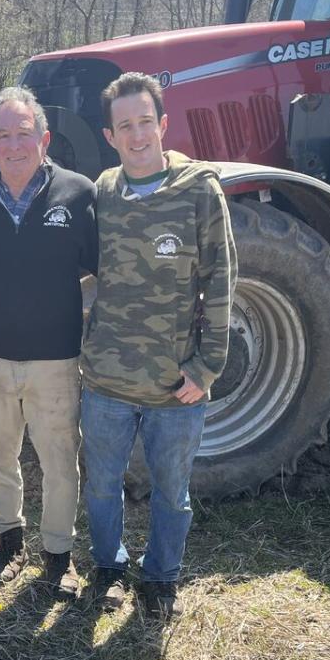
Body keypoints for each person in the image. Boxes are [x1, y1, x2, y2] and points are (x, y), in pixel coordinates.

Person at [80, 72, 237, 620]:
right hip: (105, 381)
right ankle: (108, 567)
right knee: (101, 484)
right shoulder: (102, 192)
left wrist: (207, 366)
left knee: (172, 491)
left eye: (146, 122)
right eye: (126, 126)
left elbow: (221, 280)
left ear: (163, 125)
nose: (138, 135)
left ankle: (161, 577)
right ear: (111, 136)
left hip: (176, 385)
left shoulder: (198, 191)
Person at [0, 87, 97, 597]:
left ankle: (59, 556)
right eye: (2, 135)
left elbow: (98, 267)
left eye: (23, 134)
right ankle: (9, 544)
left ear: (44, 138)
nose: (13, 145)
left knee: (60, 460)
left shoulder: (77, 193)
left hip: (55, 359)